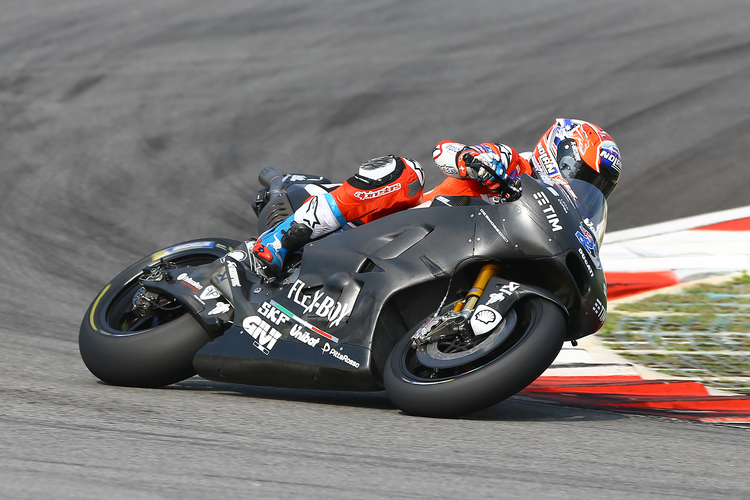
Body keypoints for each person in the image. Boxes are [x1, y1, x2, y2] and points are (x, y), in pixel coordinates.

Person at [243, 118, 621, 280]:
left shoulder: (552, 217)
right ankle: (278, 239)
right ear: (563, 153)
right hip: (396, 228)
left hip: (443, 260)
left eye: (596, 187)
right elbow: (446, 151)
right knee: (404, 172)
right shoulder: (512, 163)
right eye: (586, 177)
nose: (587, 188)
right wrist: (471, 160)